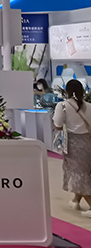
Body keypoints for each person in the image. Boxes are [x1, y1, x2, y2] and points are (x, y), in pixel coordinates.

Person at [54, 80, 91, 216]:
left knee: (78, 174)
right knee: (84, 172)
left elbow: (57, 124)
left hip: (73, 144)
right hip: (88, 141)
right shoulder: (89, 106)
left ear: (67, 91)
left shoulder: (62, 106)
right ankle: (75, 200)